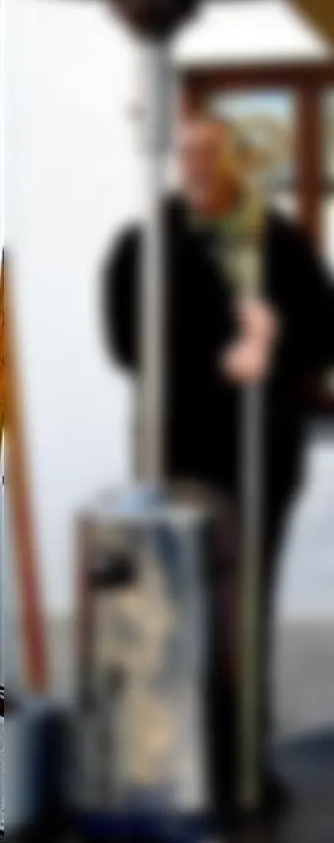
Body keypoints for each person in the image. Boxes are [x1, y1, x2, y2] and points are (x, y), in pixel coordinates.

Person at [102, 112, 334, 817]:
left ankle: (238, 766)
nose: (200, 167)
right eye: (190, 154)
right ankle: (175, 763)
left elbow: (321, 329)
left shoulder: (278, 240)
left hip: (263, 456)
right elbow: (128, 339)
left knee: (245, 609)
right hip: (181, 456)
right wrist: (225, 359)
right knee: (177, 608)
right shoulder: (149, 241)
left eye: (213, 154)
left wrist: (273, 351)